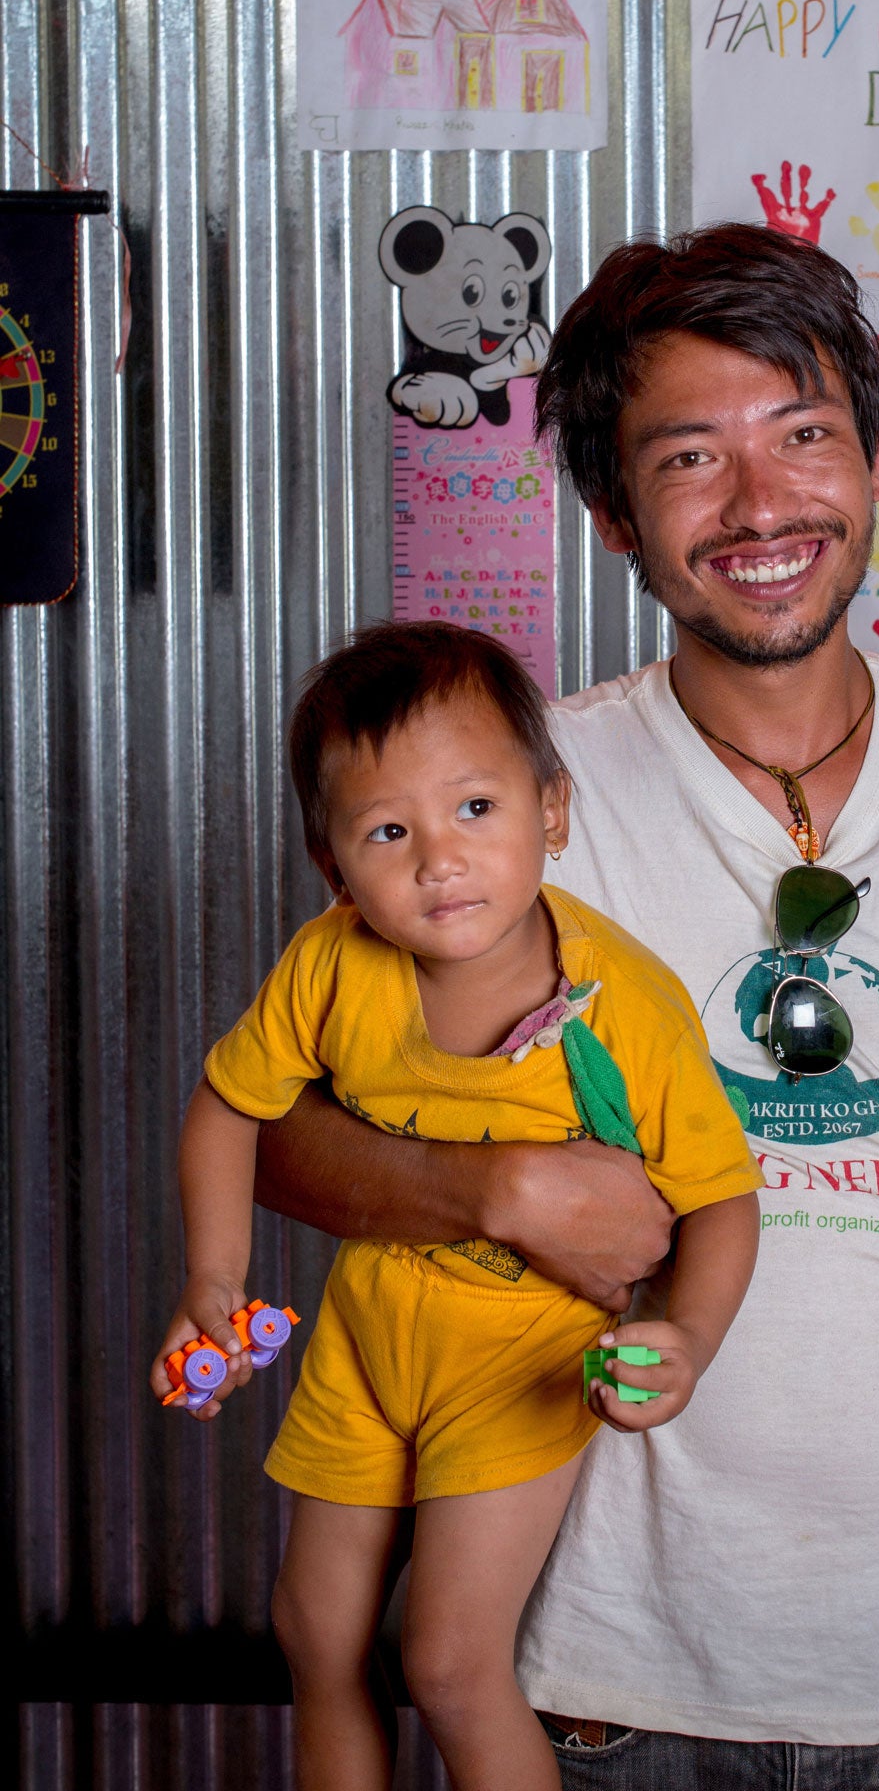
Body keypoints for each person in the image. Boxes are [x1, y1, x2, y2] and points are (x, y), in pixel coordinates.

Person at [248, 225, 879, 1789]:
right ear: (612, 514)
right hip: (620, 1683)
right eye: (691, 458)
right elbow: (280, 1134)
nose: (763, 505)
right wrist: (489, 1186)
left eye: (803, 437)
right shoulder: (511, 802)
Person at [150, 622, 762, 1791]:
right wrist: (213, 1282)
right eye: (390, 831)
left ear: (553, 811)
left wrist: (688, 1335)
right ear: (334, 868)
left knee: (447, 1660)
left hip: (520, 1360)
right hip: (371, 1339)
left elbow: (724, 1199)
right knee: (315, 1631)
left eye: (476, 808)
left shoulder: (622, 998)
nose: (440, 858)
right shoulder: (330, 965)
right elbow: (229, 1107)